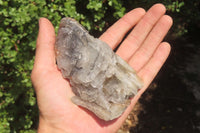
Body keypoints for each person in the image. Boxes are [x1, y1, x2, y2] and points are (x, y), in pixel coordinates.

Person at [31, 3, 173, 133]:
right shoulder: (76, 62)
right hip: (95, 86)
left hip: (106, 79)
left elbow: (110, 64)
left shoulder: (102, 60)